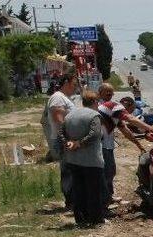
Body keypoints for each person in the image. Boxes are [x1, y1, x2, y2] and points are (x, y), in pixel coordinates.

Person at [97, 84, 153, 205]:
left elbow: (125, 131)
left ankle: (108, 197)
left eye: (111, 92)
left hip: (104, 145)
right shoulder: (114, 106)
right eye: (131, 110)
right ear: (128, 105)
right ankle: (103, 203)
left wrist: (139, 145)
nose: (110, 95)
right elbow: (130, 119)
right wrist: (150, 128)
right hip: (101, 145)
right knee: (107, 172)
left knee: (109, 171)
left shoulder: (107, 109)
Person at [58, 90, 105, 227]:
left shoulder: (70, 115)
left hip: (73, 160)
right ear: (95, 102)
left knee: (79, 189)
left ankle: (80, 218)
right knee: (94, 191)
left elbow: (61, 132)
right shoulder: (94, 115)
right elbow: (95, 134)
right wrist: (80, 143)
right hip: (92, 161)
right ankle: (96, 219)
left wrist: (68, 142)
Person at [42, 73, 78, 209]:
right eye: (74, 84)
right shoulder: (57, 98)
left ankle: (74, 200)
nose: (75, 87)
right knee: (68, 170)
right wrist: (66, 138)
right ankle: (71, 202)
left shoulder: (64, 98)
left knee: (72, 169)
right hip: (64, 138)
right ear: (67, 82)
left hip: (67, 138)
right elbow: (58, 119)